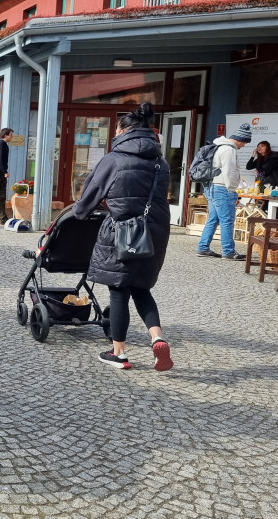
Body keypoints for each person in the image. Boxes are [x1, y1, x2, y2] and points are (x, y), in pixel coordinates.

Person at [73, 102, 173, 372]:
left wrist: (80, 213)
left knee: (119, 291)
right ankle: (157, 338)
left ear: (122, 130)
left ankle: (119, 353)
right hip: (156, 231)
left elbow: (88, 198)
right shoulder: (160, 163)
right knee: (142, 288)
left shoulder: (113, 159)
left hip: (125, 231)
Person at [197, 123, 252, 260]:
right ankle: (228, 251)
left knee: (213, 219)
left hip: (213, 186)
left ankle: (203, 248)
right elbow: (229, 172)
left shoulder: (219, 146)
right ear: (239, 139)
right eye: (244, 142)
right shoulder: (229, 150)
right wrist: (232, 189)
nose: (244, 145)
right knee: (227, 221)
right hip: (223, 189)